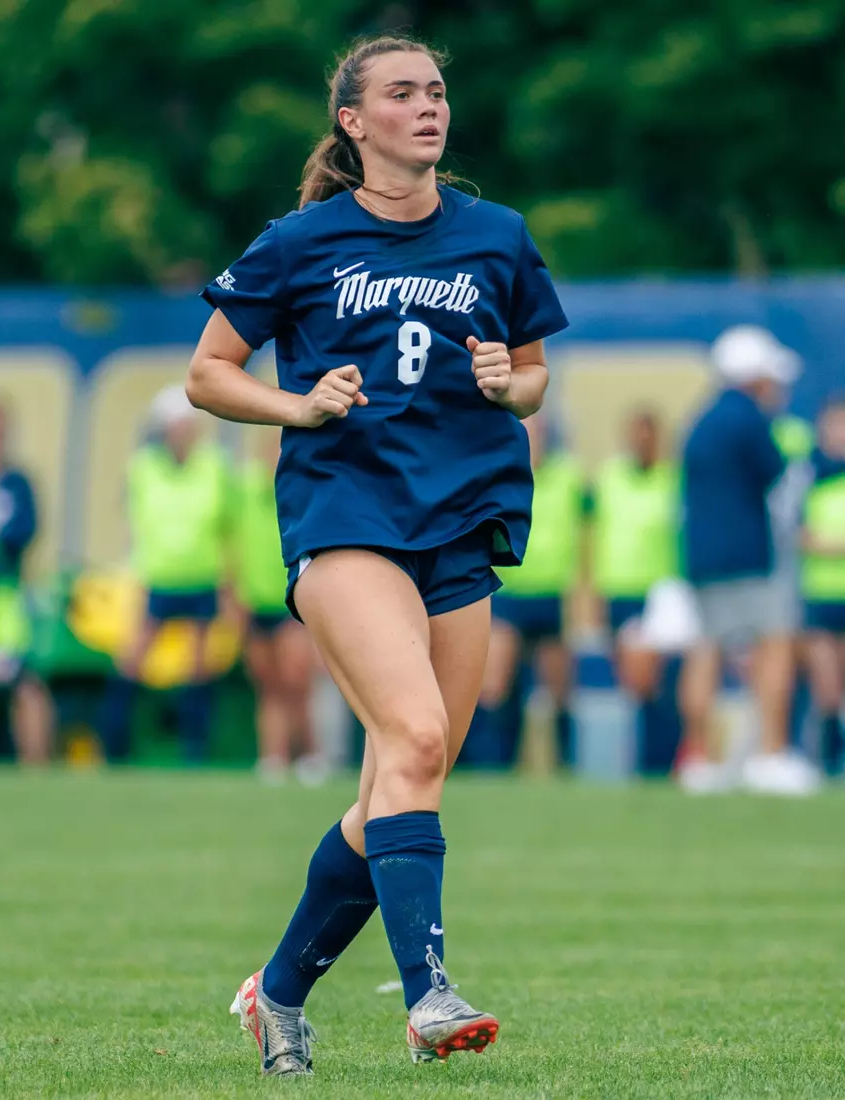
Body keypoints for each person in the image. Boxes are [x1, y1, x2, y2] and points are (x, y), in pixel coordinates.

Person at [187, 34, 568, 1075]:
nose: (427, 107)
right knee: (411, 730)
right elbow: (209, 374)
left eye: (437, 90)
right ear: (355, 124)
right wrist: (296, 403)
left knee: (404, 778)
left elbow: (533, 375)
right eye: (401, 93)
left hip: (457, 519)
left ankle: (278, 992)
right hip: (347, 512)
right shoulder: (300, 241)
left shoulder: (498, 234)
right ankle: (429, 991)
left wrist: (506, 378)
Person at [678, 325, 818, 795]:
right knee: (775, 644)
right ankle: (769, 756)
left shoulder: (701, 419)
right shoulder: (749, 418)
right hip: (750, 558)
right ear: (753, 376)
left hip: (701, 558)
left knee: (706, 649)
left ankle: (700, 760)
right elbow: (776, 476)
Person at [97, 386, 232, 764]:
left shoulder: (214, 466)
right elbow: (135, 521)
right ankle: (114, 747)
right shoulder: (143, 468)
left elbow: (227, 527)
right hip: (157, 579)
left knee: (199, 666)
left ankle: (195, 749)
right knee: (132, 660)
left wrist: (229, 586)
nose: (182, 433)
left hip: (203, 577)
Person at [480, 413, 583, 771]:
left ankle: (566, 764)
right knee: (496, 684)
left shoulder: (568, 477)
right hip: (509, 592)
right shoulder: (497, 475)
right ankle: (495, 765)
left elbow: (585, 537)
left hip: (551, 594)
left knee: (559, 686)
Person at [588, 409, 680, 773]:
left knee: (659, 682)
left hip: (660, 592)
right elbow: (595, 537)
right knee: (634, 684)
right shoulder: (610, 479)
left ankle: (660, 761)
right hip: (619, 590)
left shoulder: (673, 480)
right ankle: (646, 761)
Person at [234, 428, 324, 784]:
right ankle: (273, 757)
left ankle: (311, 755)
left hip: (292, 600)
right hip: (256, 601)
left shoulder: (302, 493)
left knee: (296, 680)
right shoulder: (246, 492)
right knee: (268, 684)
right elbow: (232, 546)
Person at [0, 399, 52, 764]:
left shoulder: (17, 485)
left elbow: (20, 535)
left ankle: (36, 765)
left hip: (0, 603)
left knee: (22, 682)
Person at [800, 397, 845, 775]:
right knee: (826, 685)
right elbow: (798, 535)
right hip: (820, 592)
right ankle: (829, 759)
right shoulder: (809, 477)